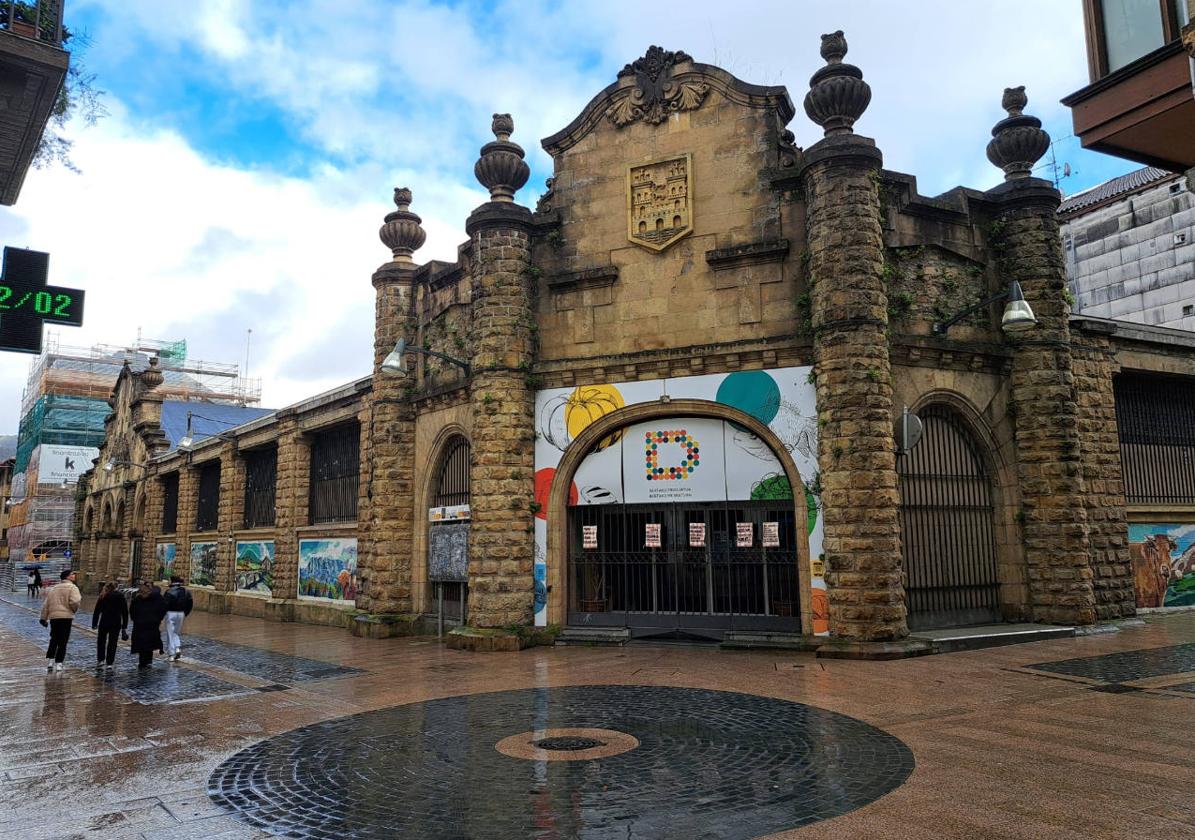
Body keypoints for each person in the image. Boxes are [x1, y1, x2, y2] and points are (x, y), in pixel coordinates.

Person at [38, 569, 81, 672]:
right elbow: (75, 601)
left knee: (54, 639)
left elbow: (46, 604)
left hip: (54, 617)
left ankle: (50, 661)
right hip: (66, 617)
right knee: (63, 640)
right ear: (67, 577)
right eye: (72, 574)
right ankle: (59, 663)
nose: (74, 576)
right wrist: (73, 610)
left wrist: (43, 618)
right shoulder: (72, 587)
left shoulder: (54, 588)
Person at [129, 581, 167, 669]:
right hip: (145, 625)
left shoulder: (155, 598)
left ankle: (145, 661)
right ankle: (146, 661)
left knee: (146, 643)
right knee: (146, 643)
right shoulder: (139, 600)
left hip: (146, 625)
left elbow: (163, 608)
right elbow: (132, 611)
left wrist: (158, 618)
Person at [91, 582, 128, 671]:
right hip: (116, 622)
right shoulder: (120, 596)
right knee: (113, 642)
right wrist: (124, 626)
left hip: (104, 621)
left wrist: (94, 623)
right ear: (116, 587)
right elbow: (125, 612)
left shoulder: (103, 596)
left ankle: (100, 660)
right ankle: (110, 663)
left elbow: (97, 611)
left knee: (101, 641)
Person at [162, 575, 193, 662]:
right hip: (181, 613)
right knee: (176, 632)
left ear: (172, 582)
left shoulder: (168, 591)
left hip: (170, 613)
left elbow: (164, 604)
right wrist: (185, 613)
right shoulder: (186, 591)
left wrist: (163, 614)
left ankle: (171, 654)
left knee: (170, 633)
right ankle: (177, 648)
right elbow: (190, 603)